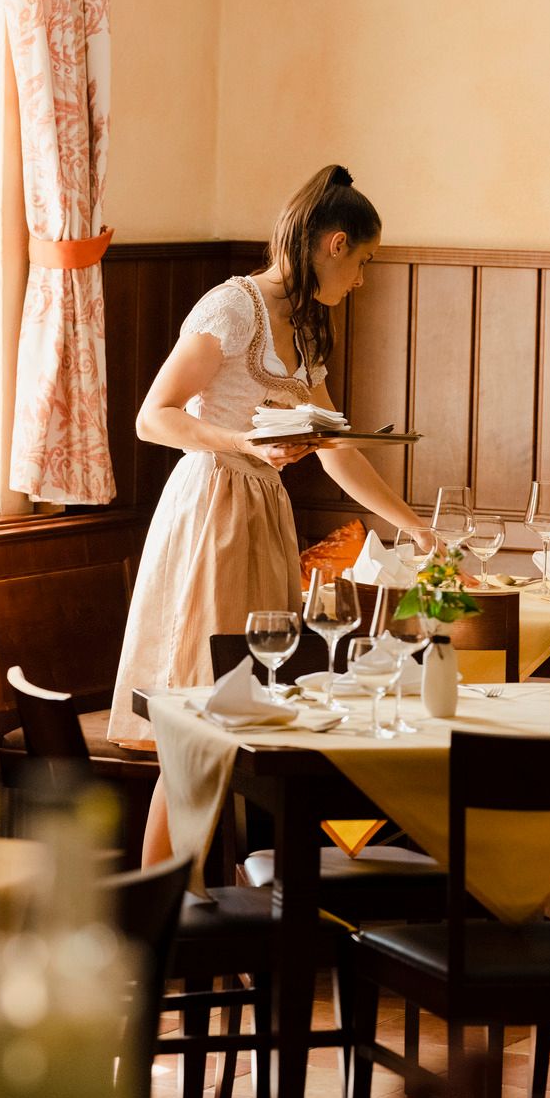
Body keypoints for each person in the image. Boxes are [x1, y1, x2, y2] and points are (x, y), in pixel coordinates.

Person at [108, 164, 433, 864]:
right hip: (212, 508)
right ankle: (164, 918)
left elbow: (333, 450)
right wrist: (246, 441)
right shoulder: (231, 308)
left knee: (261, 708)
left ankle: (234, 907)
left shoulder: (306, 331)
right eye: (365, 262)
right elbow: (152, 417)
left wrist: (414, 526)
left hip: (261, 510)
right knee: (200, 723)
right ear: (334, 244)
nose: (363, 281)